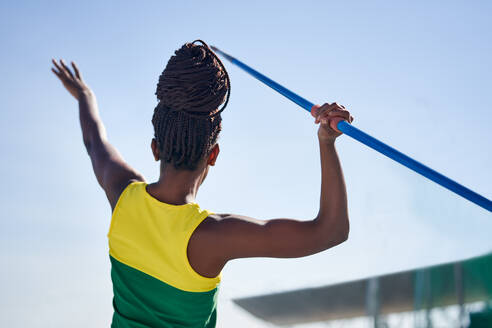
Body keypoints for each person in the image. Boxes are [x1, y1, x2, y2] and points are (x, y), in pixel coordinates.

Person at [51, 39, 353, 328]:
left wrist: (85, 95)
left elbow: (95, 143)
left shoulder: (123, 196)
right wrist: (327, 142)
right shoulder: (214, 236)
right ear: (213, 154)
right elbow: (331, 231)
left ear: (155, 148)